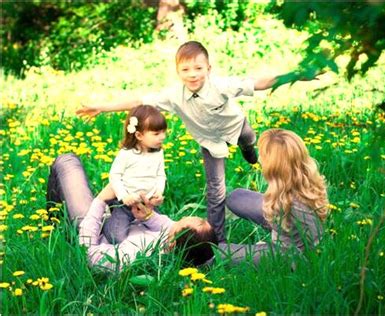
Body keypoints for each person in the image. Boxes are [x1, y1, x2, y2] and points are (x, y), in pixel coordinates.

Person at [77, 41, 318, 242]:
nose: (192, 74)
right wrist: (103, 108)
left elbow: (259, 83)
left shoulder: (221, 85)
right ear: (178, 72)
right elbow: (140, 100)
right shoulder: (173, 96)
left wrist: (297, 75)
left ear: (208, 68)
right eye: (185, 70)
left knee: (249, 139)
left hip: (236, 127)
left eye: (198, 68)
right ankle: (217, 240)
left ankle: (248, 149)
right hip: (210, 142)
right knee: (216, 190)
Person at [46, 153, 217, 270]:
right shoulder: (187, 248)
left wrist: (100, 201)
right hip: (121, 219)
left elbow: (88, 253)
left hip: (91, 231)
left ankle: (53, 228)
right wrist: (148, 215)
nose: (174, 222)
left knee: (66, 161)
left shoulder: (133, 256)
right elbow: (167, 225)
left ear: (171, 244)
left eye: (178, 224)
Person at [218, 129, 329, 264]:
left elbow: (309, 245)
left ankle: (266, 247)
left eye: (263, 156)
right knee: (236, 197)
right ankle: (271, 238)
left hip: (289, 255)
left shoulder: (292, 201)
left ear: (275, 165)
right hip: (287, 227)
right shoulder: (303, 180)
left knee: (216, 252)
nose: (259, 159)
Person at [90, 105, 167, 244]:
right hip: (125, 205)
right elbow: (115, 176)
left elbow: (160, 175)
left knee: (163, 231)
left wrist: (158, 193)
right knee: (116, 237)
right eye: (156, 134)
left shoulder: (158, 153)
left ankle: (139, 227)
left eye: (163, 132)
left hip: (148, 204)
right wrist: (124, 196)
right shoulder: (127, 154)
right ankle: (108, 220)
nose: (163, 137)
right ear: (139, 135)